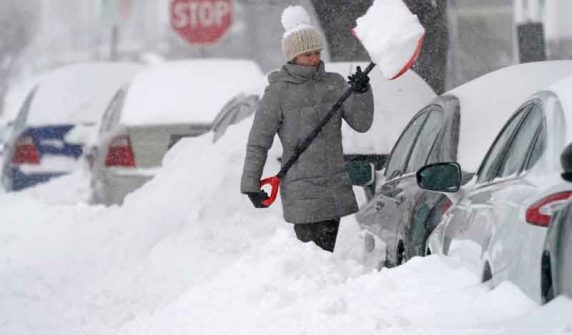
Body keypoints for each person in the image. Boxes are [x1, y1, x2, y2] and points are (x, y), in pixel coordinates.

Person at [240, 5, 374, 252]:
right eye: (307, 54)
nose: (314, 58)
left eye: (316, 52)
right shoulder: (278, 92)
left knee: (324, 256)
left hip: (333, 188)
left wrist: (362, 93)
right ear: (292, 57)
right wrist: (250, 183)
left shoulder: (334, 84)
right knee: (313, 257)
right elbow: (259, 141)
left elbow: (362, 124)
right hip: (302, 192)